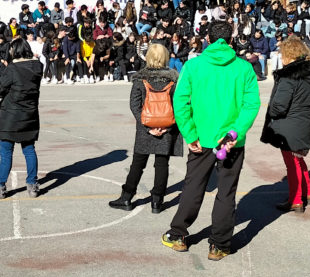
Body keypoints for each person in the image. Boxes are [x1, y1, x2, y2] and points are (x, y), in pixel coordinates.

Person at [162, 22, 261, 261]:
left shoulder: (193, 66)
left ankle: (178, 234)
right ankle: (219, 244)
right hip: (231, 142)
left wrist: (190, 134)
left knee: (193, 186)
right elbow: (251, 105)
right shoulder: (244, 68)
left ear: (207, 37)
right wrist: (234, 133)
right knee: (226, 192)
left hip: (203, 138)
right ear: (231, 39)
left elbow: (180, 101)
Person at [108, 44, 182, 213]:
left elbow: (134, 105)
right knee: (162, 164)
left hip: (145, 126)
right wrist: (167, 127)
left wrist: (147, 127)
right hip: (167, 125)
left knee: (138, 163)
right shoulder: (174, 78)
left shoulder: (141, 78)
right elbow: (179, 105)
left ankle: (126, 197)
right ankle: (157, 201)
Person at [0, 38, 43, 200]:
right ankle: (32, 185)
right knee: (29, 149)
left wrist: (7, 70)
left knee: (6, 152)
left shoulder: (13, 69)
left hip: (11, 116)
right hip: (30, 114)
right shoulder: (37, 67)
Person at [261, 39, 310, 213]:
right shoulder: (309, 71)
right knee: (298, 160)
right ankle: (307, 193)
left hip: (289, 125)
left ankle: (296, 200)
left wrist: (271, 111)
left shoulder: (289, 75)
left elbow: (279, 106)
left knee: (292, 164)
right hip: (304, 122)